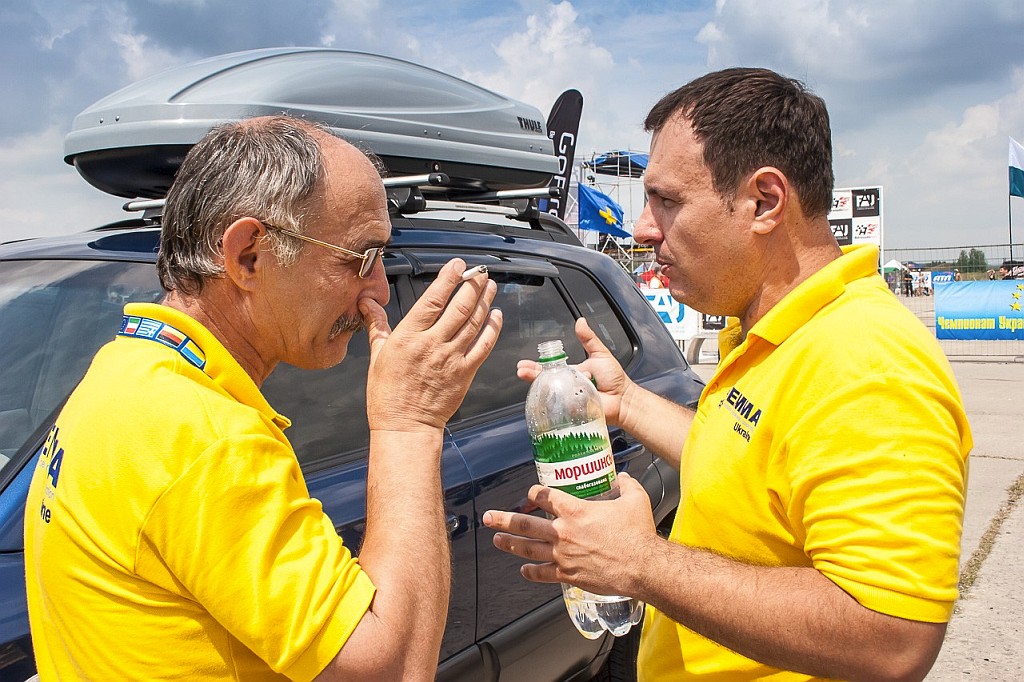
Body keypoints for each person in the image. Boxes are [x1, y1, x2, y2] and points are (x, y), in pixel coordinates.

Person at [484, 67, 971, 681]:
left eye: (667, 201)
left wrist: (640, 562)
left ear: (764, 202)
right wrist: (628, 402)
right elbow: (746, 466)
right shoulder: (777, 332)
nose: (642, 228)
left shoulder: (867, 362)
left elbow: (891, 637)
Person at [23, 116, 502, 680]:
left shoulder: (123, 371)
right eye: (361, 257)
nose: (377, 289)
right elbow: (392, 671)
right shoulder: (206, 438)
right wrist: (410, 422)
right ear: (248, 255)